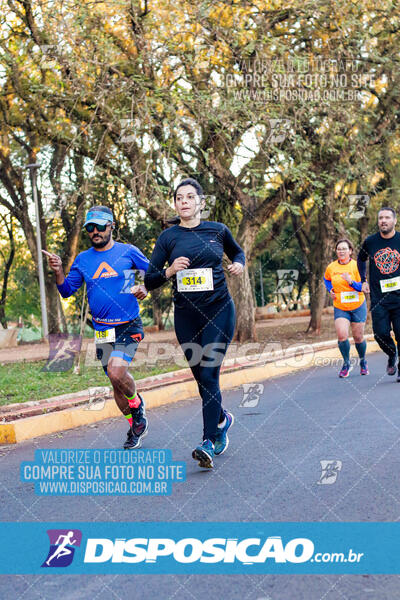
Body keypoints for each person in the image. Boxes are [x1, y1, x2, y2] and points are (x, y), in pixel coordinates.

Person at [144, 178, 245, 468]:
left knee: (210, 373)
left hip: (218, 309)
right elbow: (149, 279)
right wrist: (169, 270)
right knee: (201, 377)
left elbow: (237, 252)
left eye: (190, 197)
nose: (184, 201)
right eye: (179, 198)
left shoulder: (218, 230)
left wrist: (239, 263)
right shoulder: (168, 238)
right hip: (186, 315)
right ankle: (222, 420)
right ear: (175, 204)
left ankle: (208, 442)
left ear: (201, 202)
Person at [43, 205, 149, 449]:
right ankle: (135, 425)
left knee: (116, 372)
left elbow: (153, 273)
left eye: (100, 226)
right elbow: (67, 290)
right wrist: (58, 271)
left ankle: (137, 406)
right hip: (102, 330)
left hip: (128, 324)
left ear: (111, 226)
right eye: (90, 228)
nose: (95, 231)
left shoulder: (128, 252)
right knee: (115, 383)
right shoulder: (83, 259)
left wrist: (146, 287)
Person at [358, 207, 400, 381]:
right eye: (381, 218)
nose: (383, 220)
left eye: (387, 218)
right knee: (380, 334)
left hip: (399, 298)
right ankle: (392, 354)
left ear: (394, 221)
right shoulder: (370, 242)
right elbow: (361, 259)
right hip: (378, 298)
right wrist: (363, 280)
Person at [324, 238, 368, 377]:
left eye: (344, 249)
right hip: (340, 306)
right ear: (336, 251)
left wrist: (351, 282)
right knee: (342, 335)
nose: (341, 251)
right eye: (339, 249)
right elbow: (326, 279)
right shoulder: (331, 267)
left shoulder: (357, 266)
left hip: (357, 305)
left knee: (358, 337)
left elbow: (364, 287)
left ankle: (363, 361)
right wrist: (330, 289)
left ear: (350, 251)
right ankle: (346, 363)